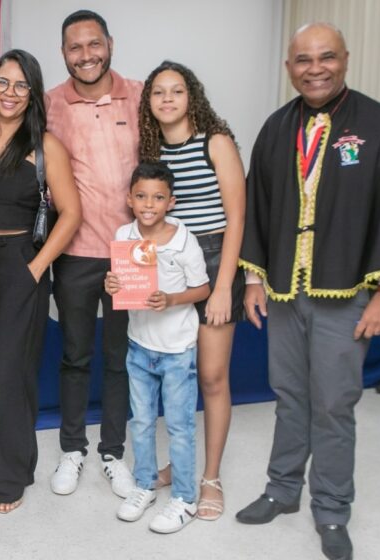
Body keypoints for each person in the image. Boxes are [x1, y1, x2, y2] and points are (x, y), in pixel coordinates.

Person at [235, 23, 380, 560]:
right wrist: (255, 280)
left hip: (346, 294)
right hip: (284, 292)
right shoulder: (277, 127)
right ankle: (281, 490)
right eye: (303, 60)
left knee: (333, 405)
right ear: (289, 68)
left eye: (326, 57)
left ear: (344, 60)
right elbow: (259, 204)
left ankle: (330, 509)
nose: (315, 68)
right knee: (289, 397)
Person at [0, 49, 81, 513]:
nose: (9, 93)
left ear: (33, 94)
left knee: (9, 372)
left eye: (21, 85)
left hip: (21, 264)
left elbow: (71, 214)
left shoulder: (45, 146)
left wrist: (36, 267)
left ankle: (9, 478)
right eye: (2, 82)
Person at [137, 60, 246, 521]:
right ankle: (179, 462)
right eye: (158, 92)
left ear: (191, 96)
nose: (166, 99)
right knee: (172, 376)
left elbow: (237, 218)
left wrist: (223, 288)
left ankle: (211, 476)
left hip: (217, 259)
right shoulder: (151, 148)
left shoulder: (215, 142)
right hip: (172, 266)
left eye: (176, 91)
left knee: (211, 377)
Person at [44, 9, 143, 497]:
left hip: (133, 253)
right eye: (75, 47)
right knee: (75, 355)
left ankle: (113, 452)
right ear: (63, 53)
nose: (85, 55)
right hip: (76, 253)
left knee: (120, 357)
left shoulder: (143, 95)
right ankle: (72, 449)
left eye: (93, 44)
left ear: (110, 44)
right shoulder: (48, 105)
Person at [105, 162, 210, 533]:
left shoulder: (185, 240)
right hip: (139, 346)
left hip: (178, 350)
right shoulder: (124, 233)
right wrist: (113, 284)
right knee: (143, 422)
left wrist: (172, 299)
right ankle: (146, 485)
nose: (149, 204)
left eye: (158, 197)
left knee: (180, 427)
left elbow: (203, 289)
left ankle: (184, 498)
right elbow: (120, 281)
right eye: (141, 196)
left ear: (171, 202)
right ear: (130, 199)